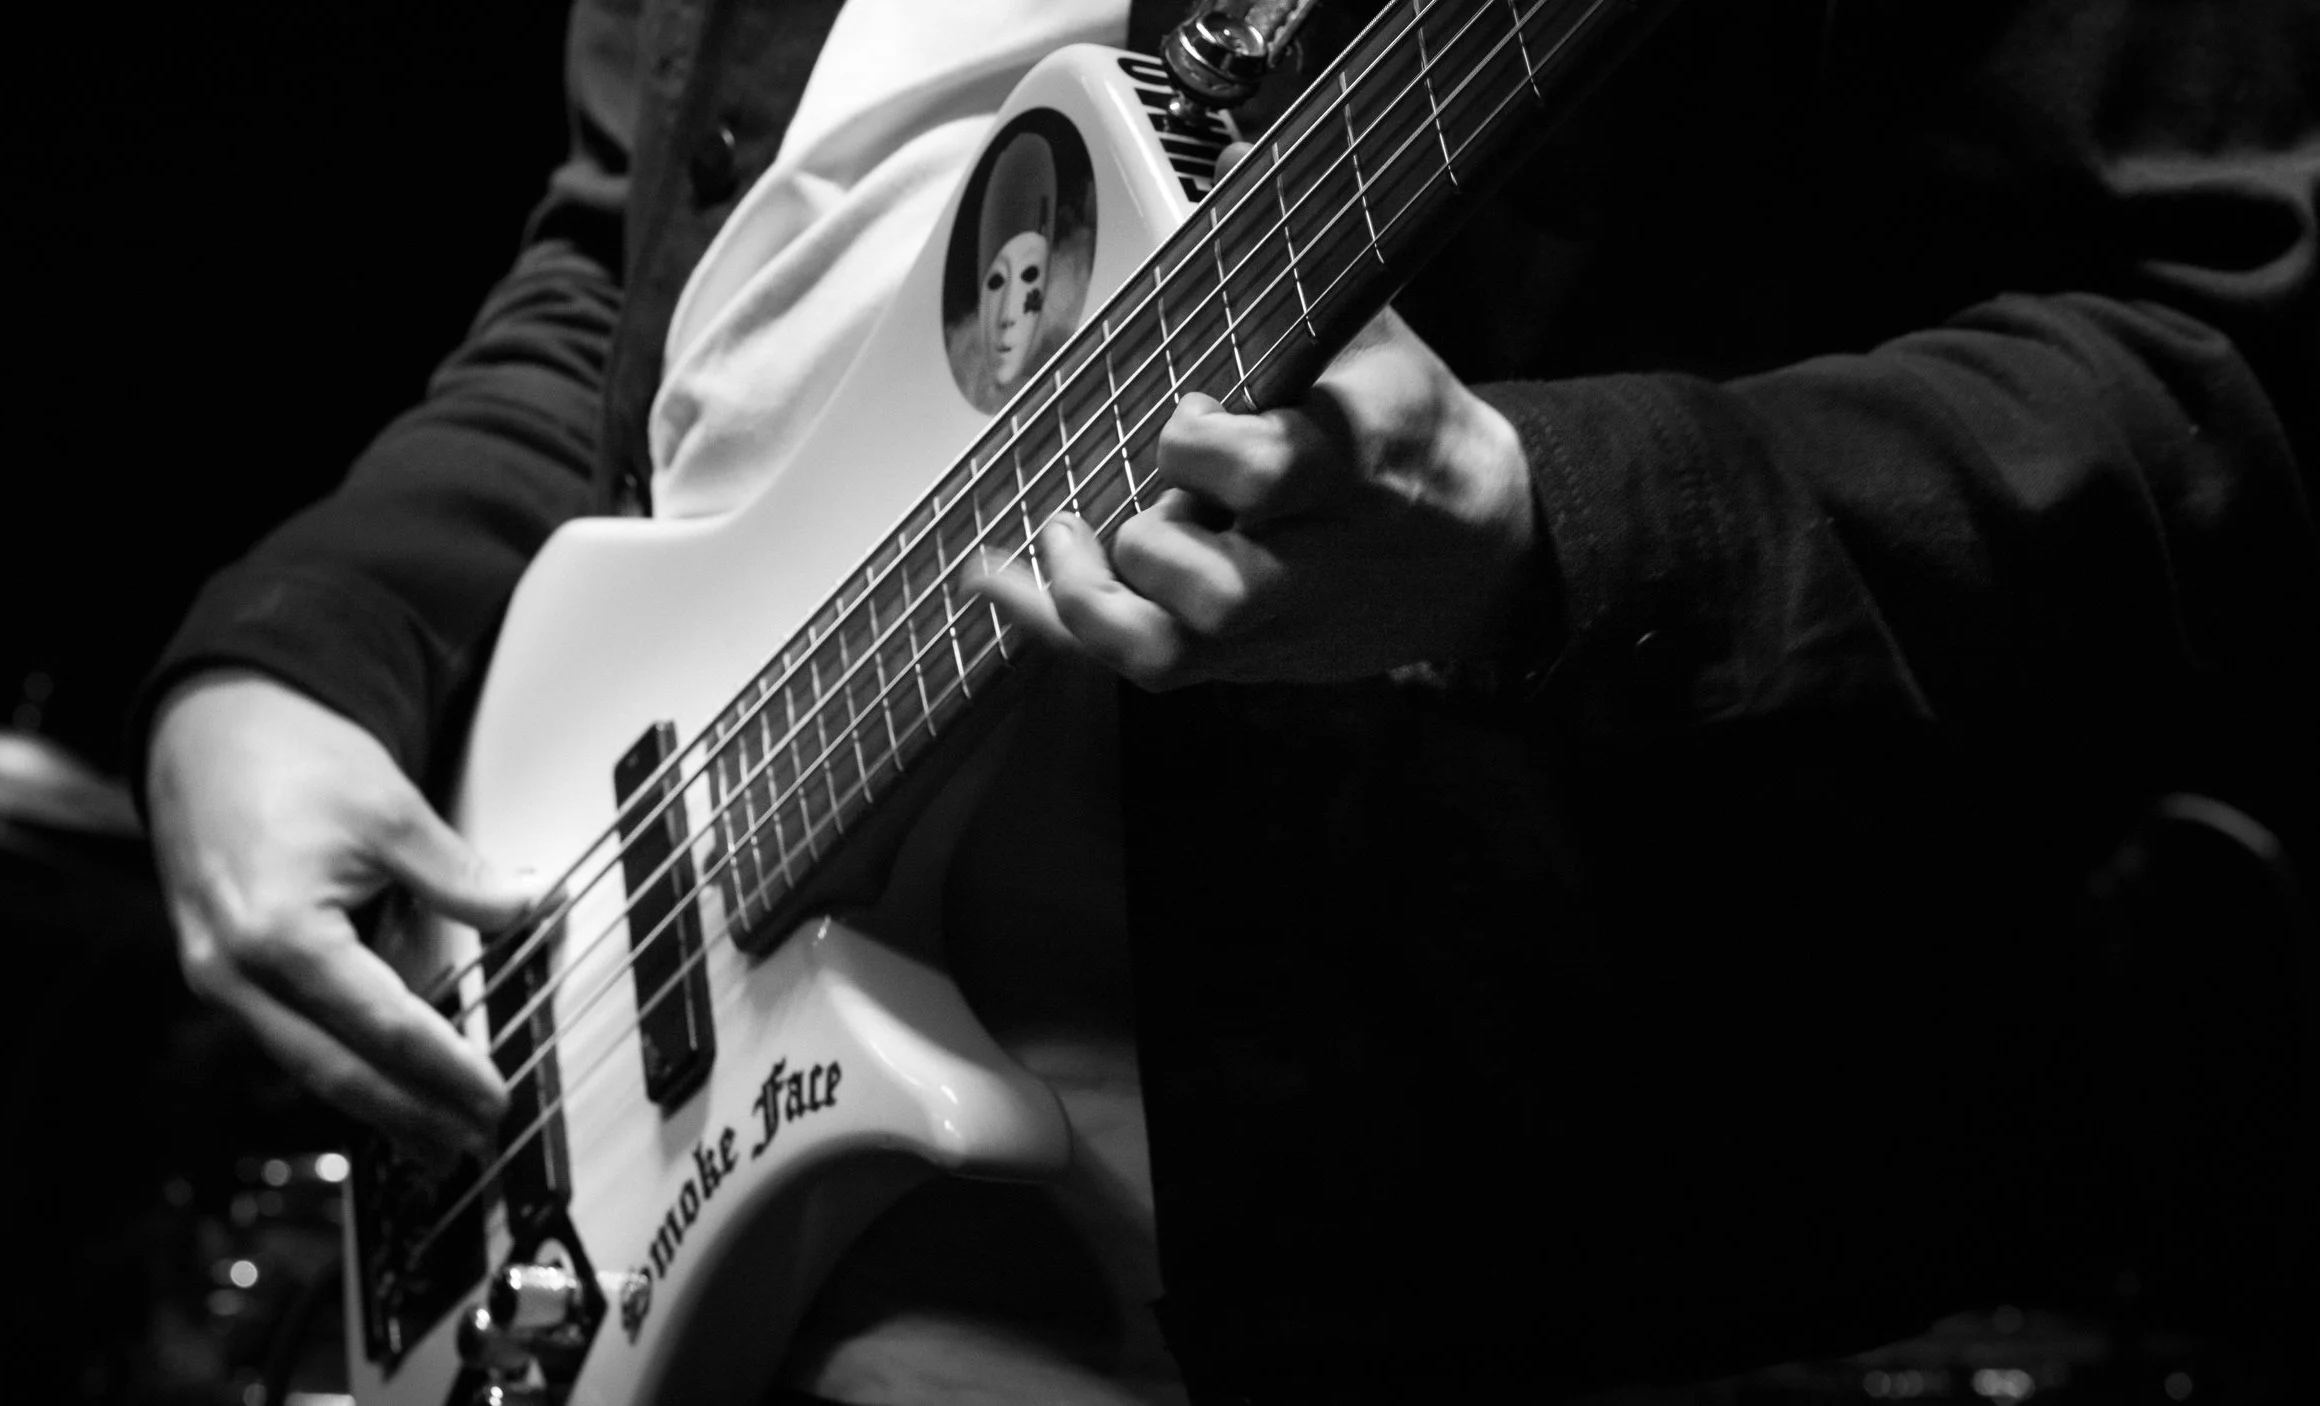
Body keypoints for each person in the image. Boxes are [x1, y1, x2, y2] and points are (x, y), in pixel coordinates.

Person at [140, 0, 2319, 1402]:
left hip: (1402, 1233)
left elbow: (2227, 371)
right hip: (668, 1097)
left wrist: (1545, 519)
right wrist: (294, 656)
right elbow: (634, 275)